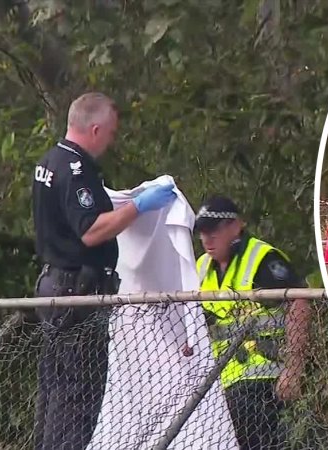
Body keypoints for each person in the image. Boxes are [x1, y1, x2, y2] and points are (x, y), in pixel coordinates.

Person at [31, 92, 176, 450]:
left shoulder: (51, 161)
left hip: (56, 288)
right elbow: (91, 229)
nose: (111, 141)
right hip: (76, 294)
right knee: (77, 398)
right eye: (110, 133)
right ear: (95, 129)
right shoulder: (76, 169)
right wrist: (139, 207)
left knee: (55, 391)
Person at [194, 195, 311, 450]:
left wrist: (293, 369)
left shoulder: (261, 258)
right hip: (218, 382)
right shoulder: (202, 267)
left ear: (235, 226)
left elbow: (299, 302)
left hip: (262, 378)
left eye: (213, 231)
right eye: (202, 232)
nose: (207, 239)